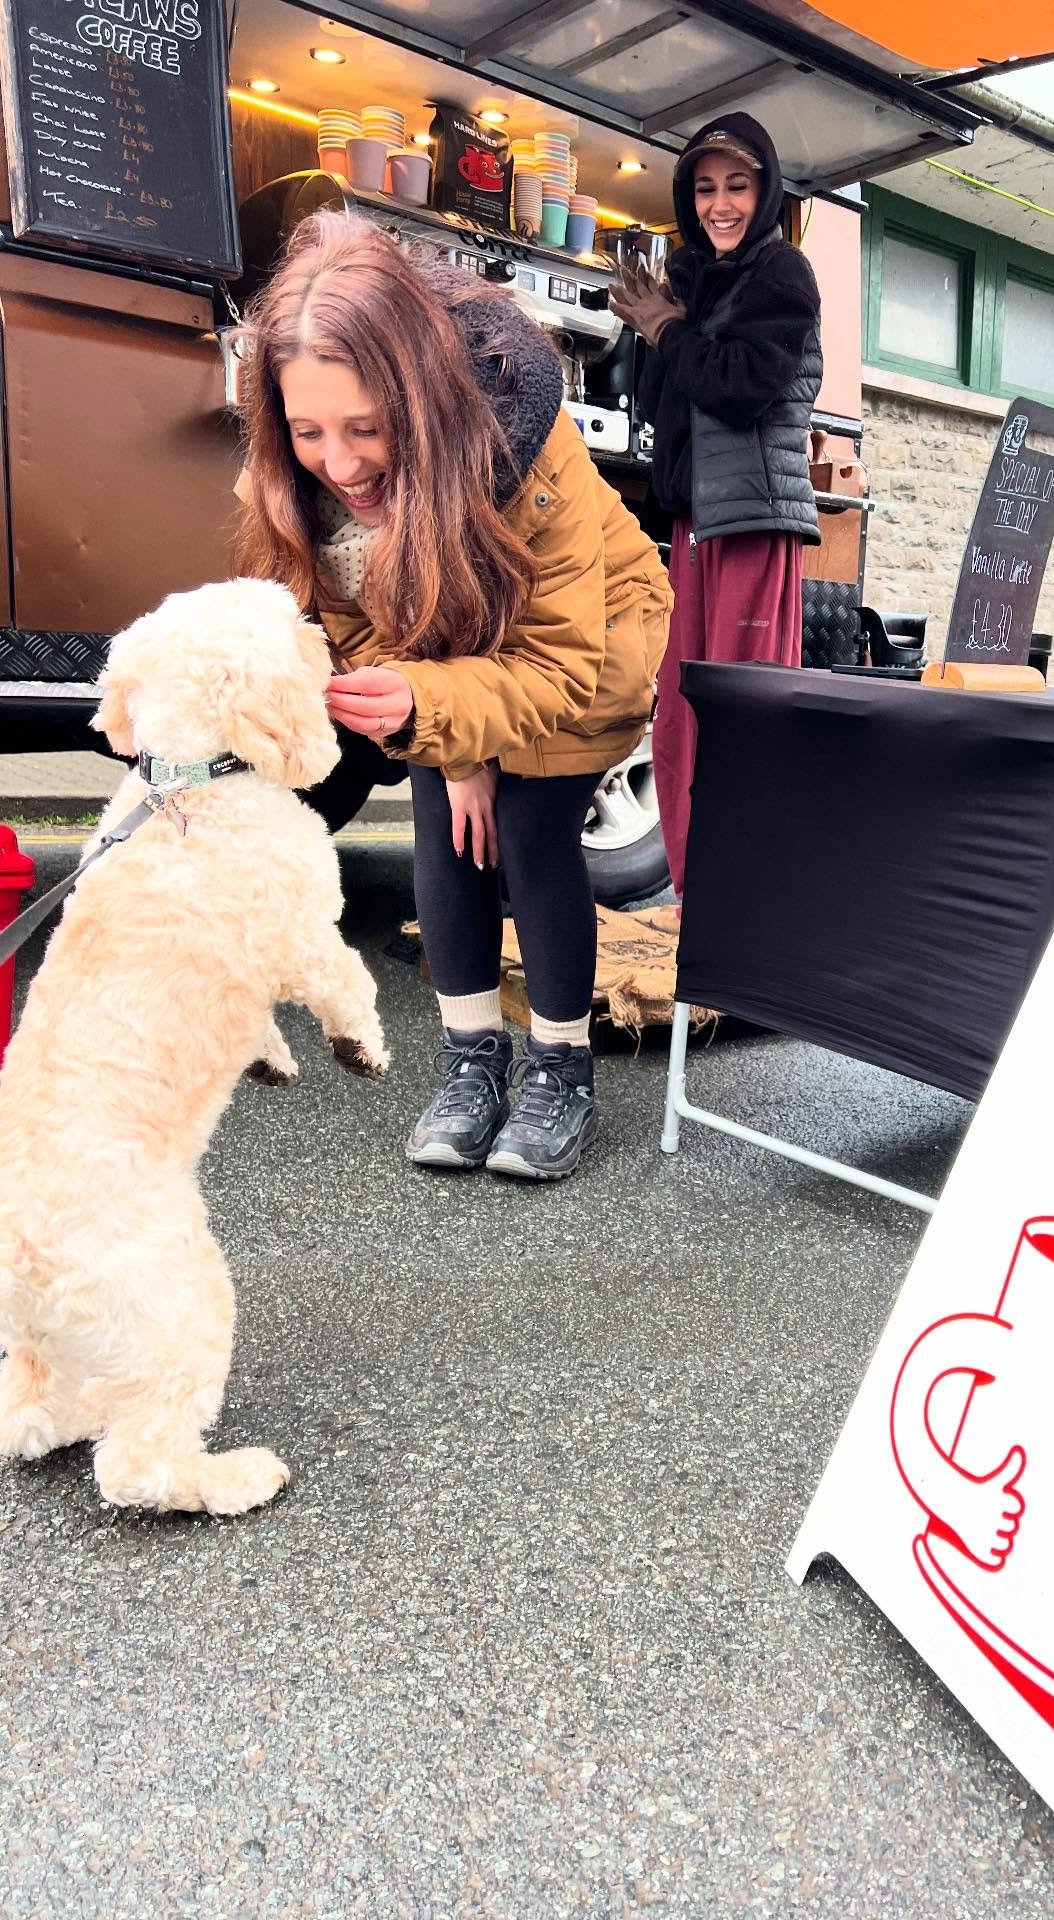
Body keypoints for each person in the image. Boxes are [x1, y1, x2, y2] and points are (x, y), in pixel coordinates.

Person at [237, 211, 671, 1180]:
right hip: (437, 647)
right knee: (443, 818)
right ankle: (473, 1062)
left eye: (365, 430)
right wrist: (451, 744)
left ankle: (562, 1070)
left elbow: (557, 662)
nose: (339, 464)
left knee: (527, 825)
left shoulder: (523, 440)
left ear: (422, 401)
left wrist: (449, 721)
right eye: (310, 431)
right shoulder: (291, 473)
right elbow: (345, 621)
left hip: (580, 642)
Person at [610, 112, 822, 903]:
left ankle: (758, 901)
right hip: (695, 525)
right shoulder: (699, 281)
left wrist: (670, 327)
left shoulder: (784, 274)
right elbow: (667, 404)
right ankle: (704, 897)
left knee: (746, 719)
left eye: (738, 185)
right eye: (704, 189)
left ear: (765, 190)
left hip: (756, 523)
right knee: (681, 718)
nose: (720, 204)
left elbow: (741, 389)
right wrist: (657, 325)